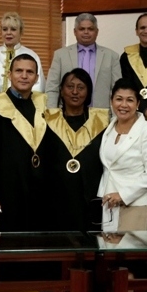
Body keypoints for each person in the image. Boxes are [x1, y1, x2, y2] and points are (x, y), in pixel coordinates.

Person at [0, 54, 49, 231]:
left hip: (38, 191)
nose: (24, 76)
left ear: (37, 78)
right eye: (19, 71)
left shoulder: (44, 105)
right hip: (5, 191)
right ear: (9, 75)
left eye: (30, 72)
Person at [44, 68, 110, 231]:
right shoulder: (48, 120)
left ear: (88, 92)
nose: (75, 92)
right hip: (56, 197)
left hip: (91, 195)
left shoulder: (102, 122)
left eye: (81, 87)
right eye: (69, 86)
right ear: (61, 90)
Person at [98, 78, 147, 232]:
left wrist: (123, 194)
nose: (124, 105)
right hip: (109, 204)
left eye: (130, 100)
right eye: (119, 99)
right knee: (109, 253)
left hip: (136, 204)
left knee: (130, 255)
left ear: (138, 104)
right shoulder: (109, 127)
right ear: (112, 101)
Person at [46, 13, 122, 109]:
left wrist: (115, 117)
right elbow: (52, 88)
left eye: (90, 29)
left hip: (101, 115)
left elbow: (118, 90)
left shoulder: (111, 56)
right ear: (75, 32)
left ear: (97, 32)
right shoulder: (60, 55)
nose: (86, 32)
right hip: (67, 115)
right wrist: (52, 114)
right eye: (82, 29)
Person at [0, 12, 45, 97]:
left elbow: (37, 86)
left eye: (13, 29)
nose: (8, 33)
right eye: (5, 29)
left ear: (21, 32)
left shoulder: (32, 55)